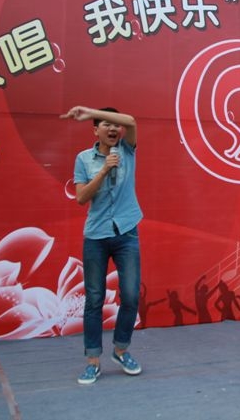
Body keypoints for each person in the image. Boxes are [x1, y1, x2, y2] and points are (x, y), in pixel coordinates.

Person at [63, 106, 144, 385]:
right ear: (95, 130)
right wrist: (104, 170)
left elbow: (131, 120)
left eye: (114, 125)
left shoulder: (127, 151)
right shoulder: (84, 159)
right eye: (105, 125)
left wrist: (90, 111)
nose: (112, 129)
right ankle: (93, 361)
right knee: (94, 299)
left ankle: (121, 350)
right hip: (96, 236)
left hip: (126, 233)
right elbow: (81, 197)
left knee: (131, 295)